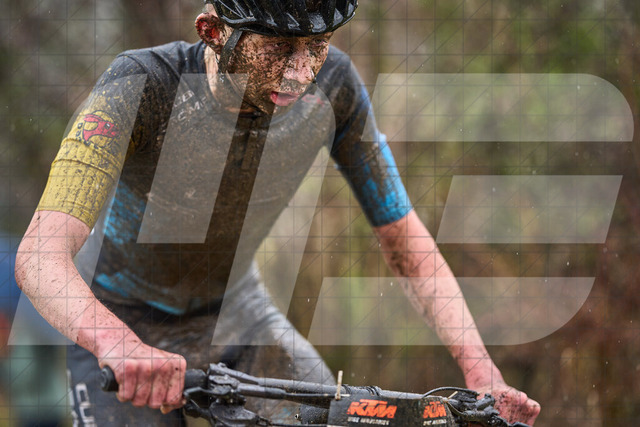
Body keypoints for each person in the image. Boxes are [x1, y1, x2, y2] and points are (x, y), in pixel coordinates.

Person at [15, 0, 540, 425]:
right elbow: (39, 256)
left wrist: (481, 371)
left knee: (333, 420)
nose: (300, 72)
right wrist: (119, 344)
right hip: (120, 315)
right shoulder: (140, 84)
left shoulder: (336, 87)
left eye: (318, 45)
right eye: (278, 47)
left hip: (238, 315)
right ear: (213, 31)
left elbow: (406, 243)